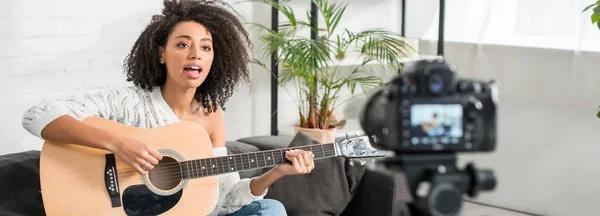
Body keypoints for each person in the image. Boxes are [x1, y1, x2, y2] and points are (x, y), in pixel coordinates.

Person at [20, 0, 315, 215]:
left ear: (215, 60)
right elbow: (37, 116)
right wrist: (119, 144)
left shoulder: (212, 115)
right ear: (161, 54)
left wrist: (276, 173)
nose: (195, 54)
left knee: (270, 209)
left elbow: (223, 198)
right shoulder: (130, 102)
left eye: (205, 47)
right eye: (183, 44)